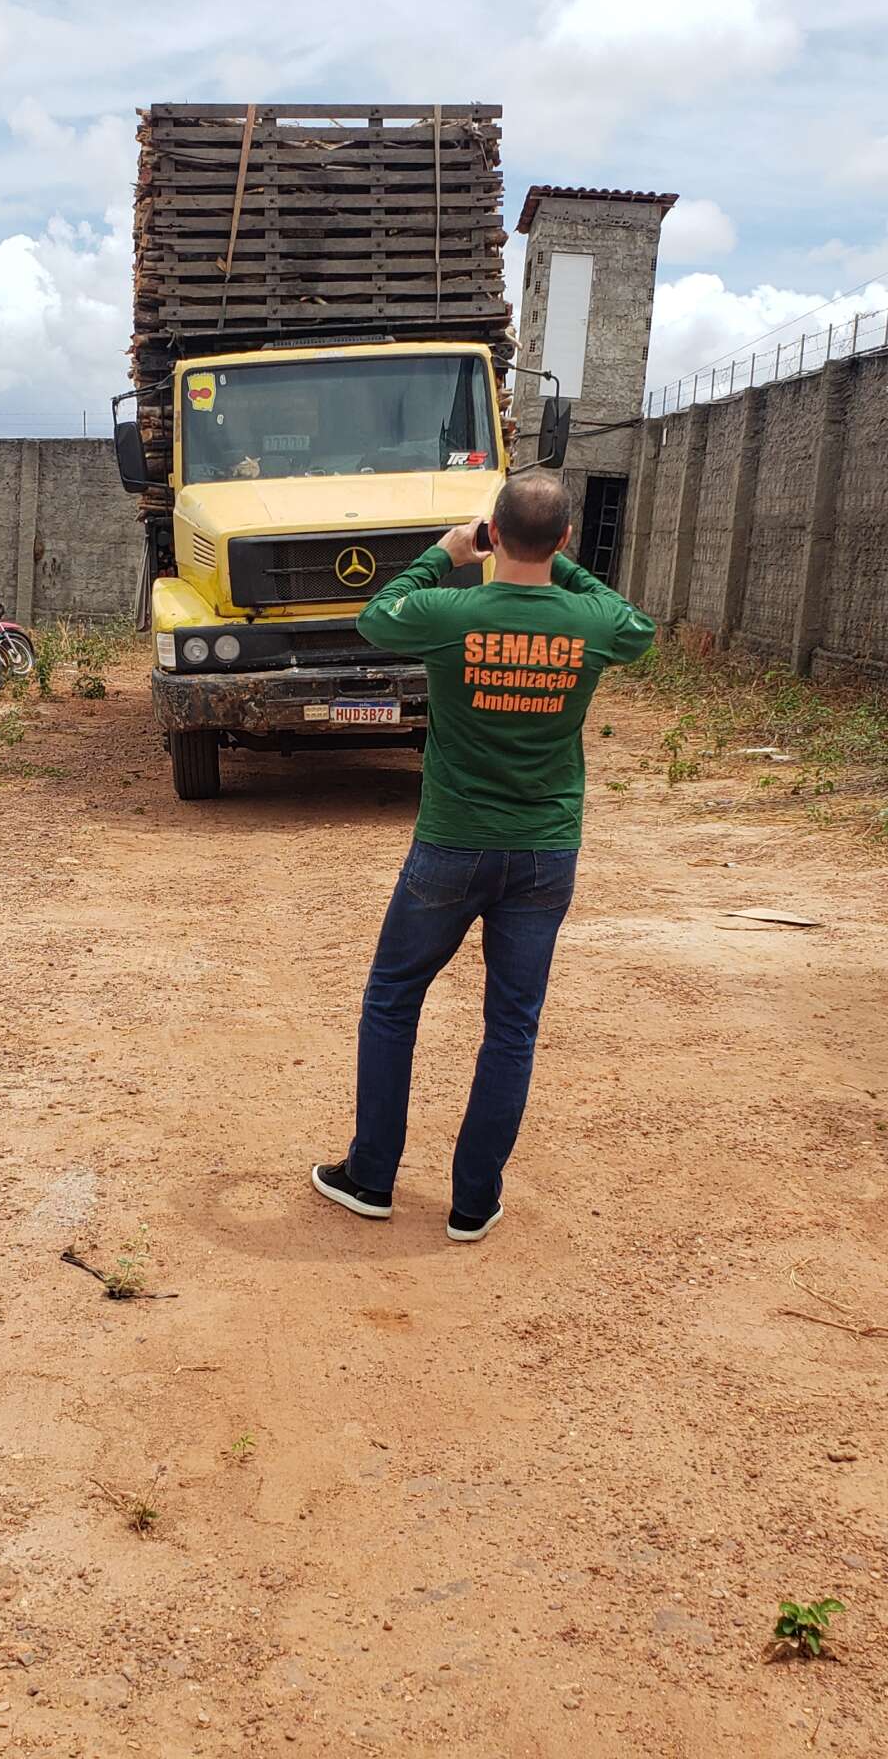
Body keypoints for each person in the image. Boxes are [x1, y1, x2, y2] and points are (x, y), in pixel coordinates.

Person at [312, 473, 655, 1241]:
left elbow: (376, 616)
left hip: (451, 844)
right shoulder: (591, 622)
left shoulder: (450, 612)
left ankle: (371, 1176)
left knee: (394, 998)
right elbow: (638, 626)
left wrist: (442, 553)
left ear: (492, 535)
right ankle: (473, 1201)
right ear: (566, 541)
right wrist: (560, 570)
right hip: (543, 853)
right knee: (511, 1025)